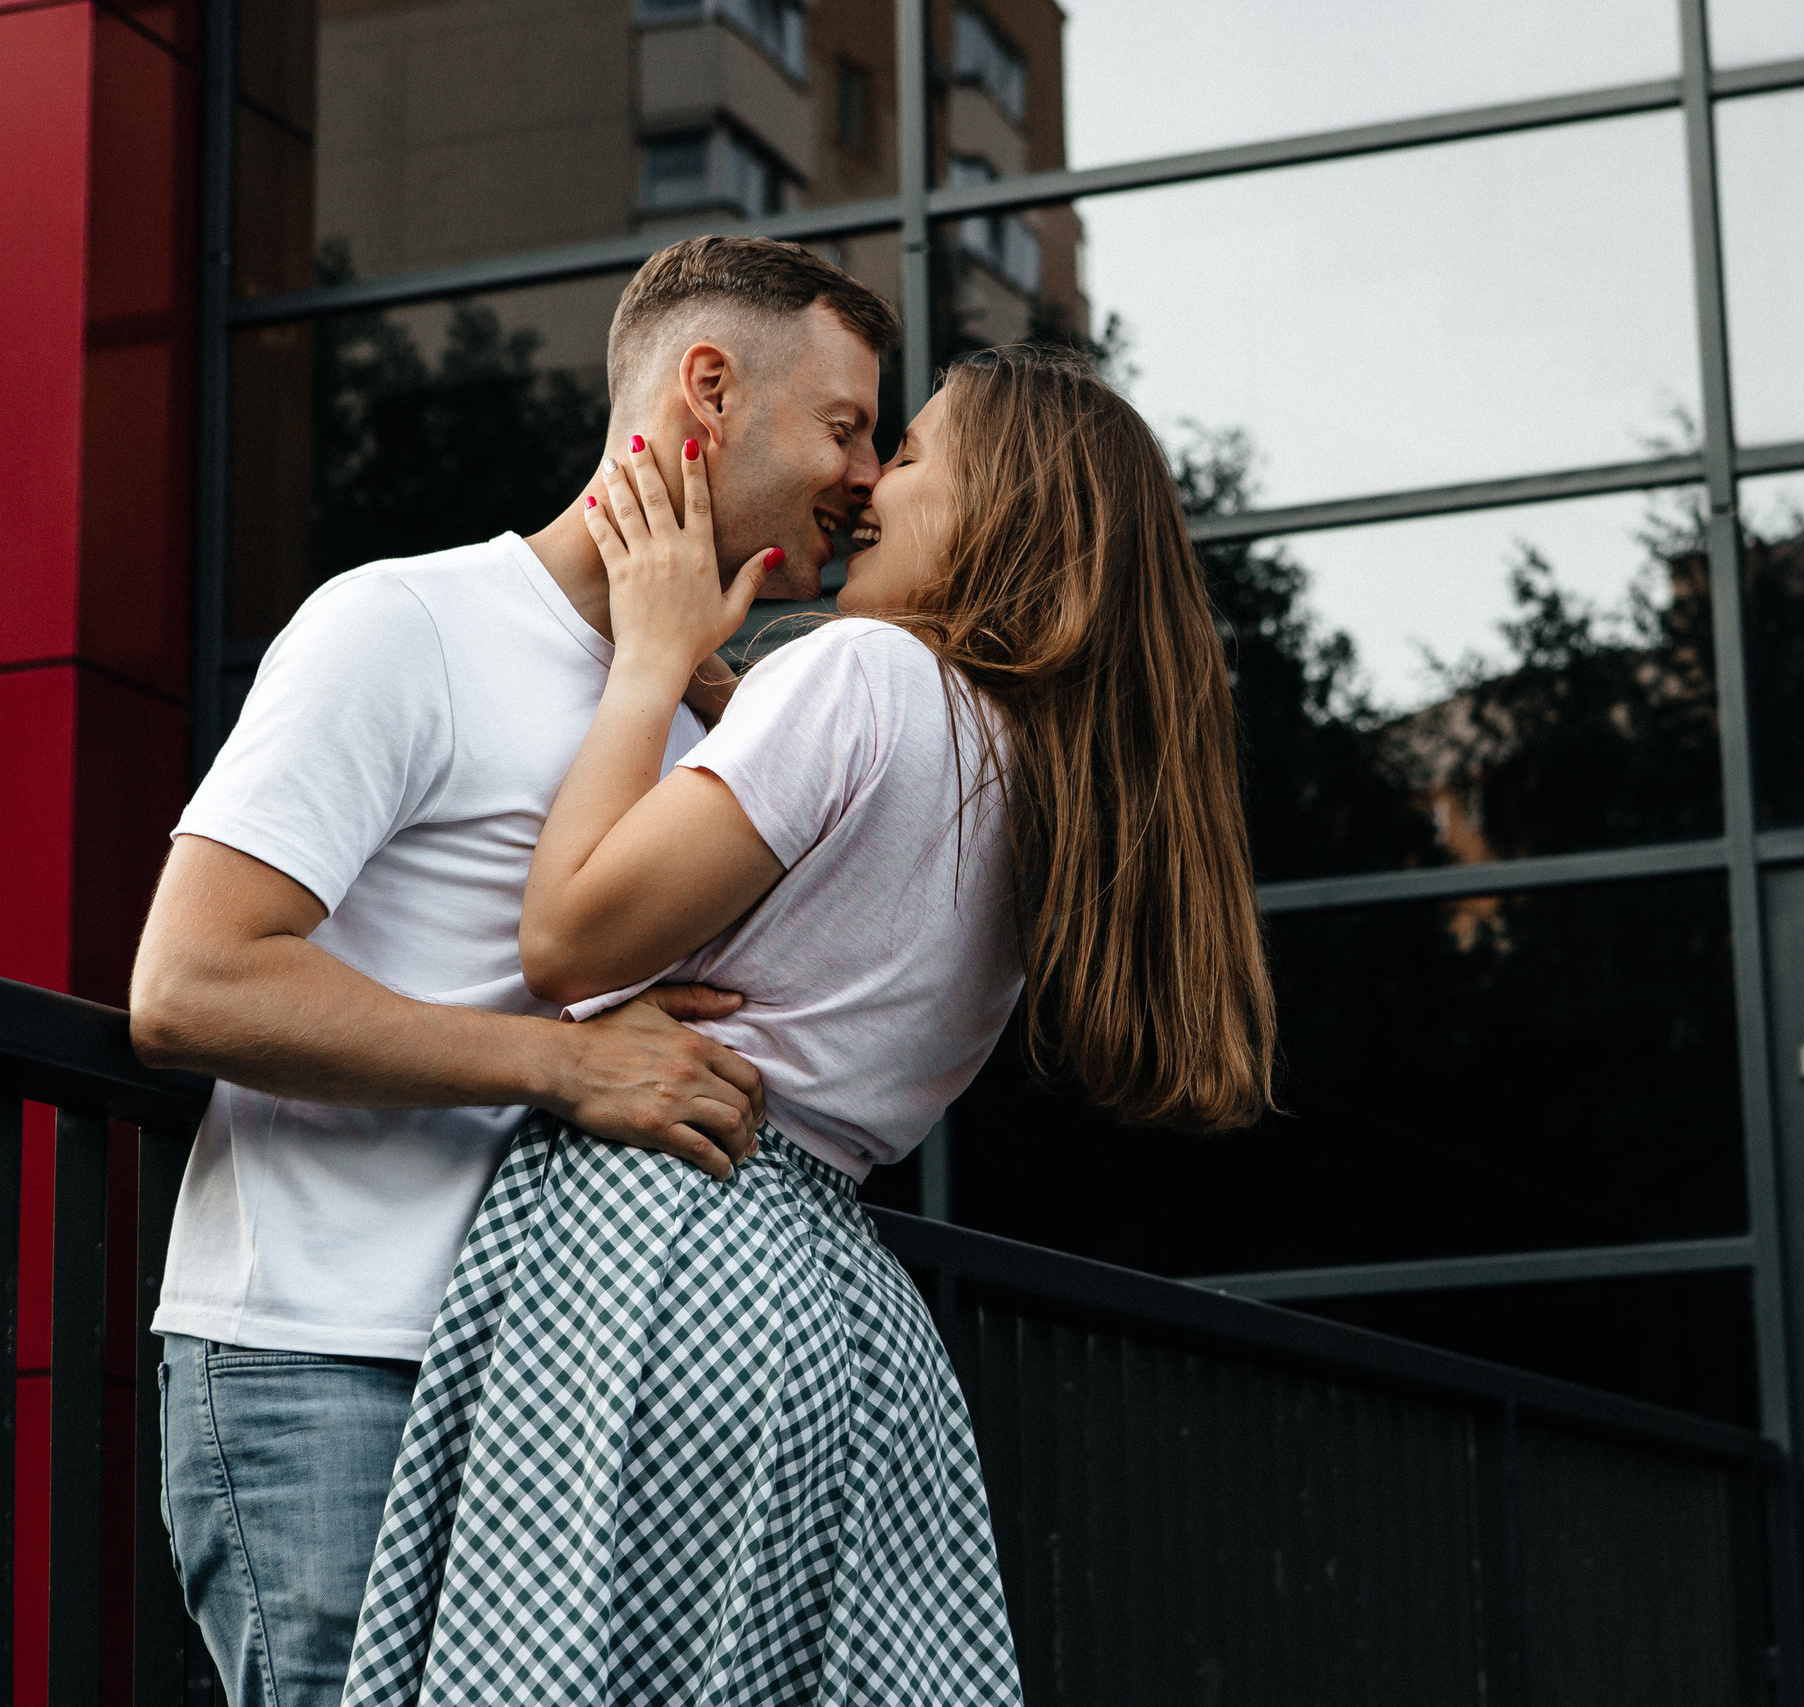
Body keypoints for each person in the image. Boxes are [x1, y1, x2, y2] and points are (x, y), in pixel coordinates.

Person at [337, 347, 1277, 1702]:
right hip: (829, 1296)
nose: (873, 482)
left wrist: (652, 664)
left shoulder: (860, 678)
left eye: (915, 453)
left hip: (658, 1250)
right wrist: (732, 693)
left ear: (997, 506)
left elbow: (567, 938)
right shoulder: (1028, 763)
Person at [129, 234, 895, 1706]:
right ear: (711, 388)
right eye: (848, 425)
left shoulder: (687, 722)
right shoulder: (403, 625)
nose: (868, 473)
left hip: (552, 1395)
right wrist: (567, 1059)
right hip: (327, 1372)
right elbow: (194, 985)